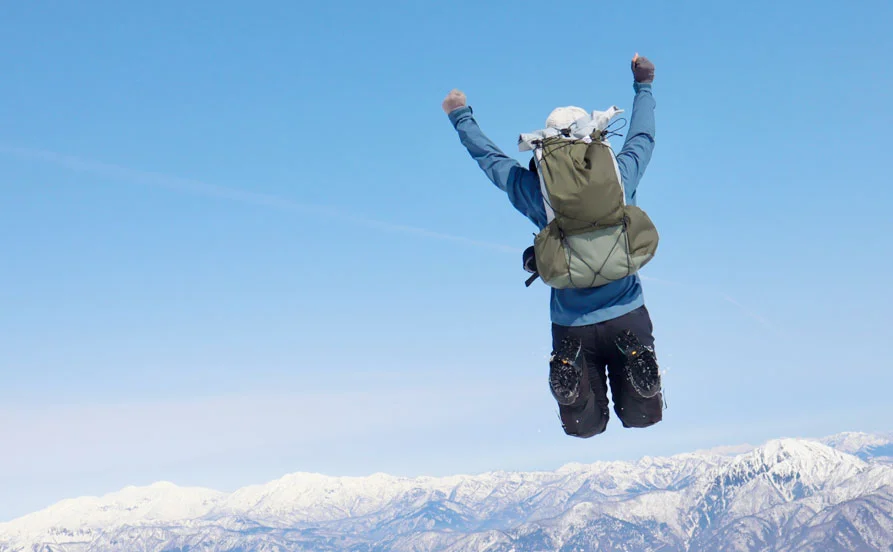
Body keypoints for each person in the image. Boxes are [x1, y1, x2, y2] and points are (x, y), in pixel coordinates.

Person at [442, 54, 663, 438]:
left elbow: (492, 161)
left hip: (571, 326)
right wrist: (643, 84)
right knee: (642, 416)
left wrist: (460, 115)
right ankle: (638, 367)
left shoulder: (540, 194)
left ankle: (572, 381)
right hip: (628, 312)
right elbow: (642, 137)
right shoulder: (620, 175)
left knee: (586, 426)